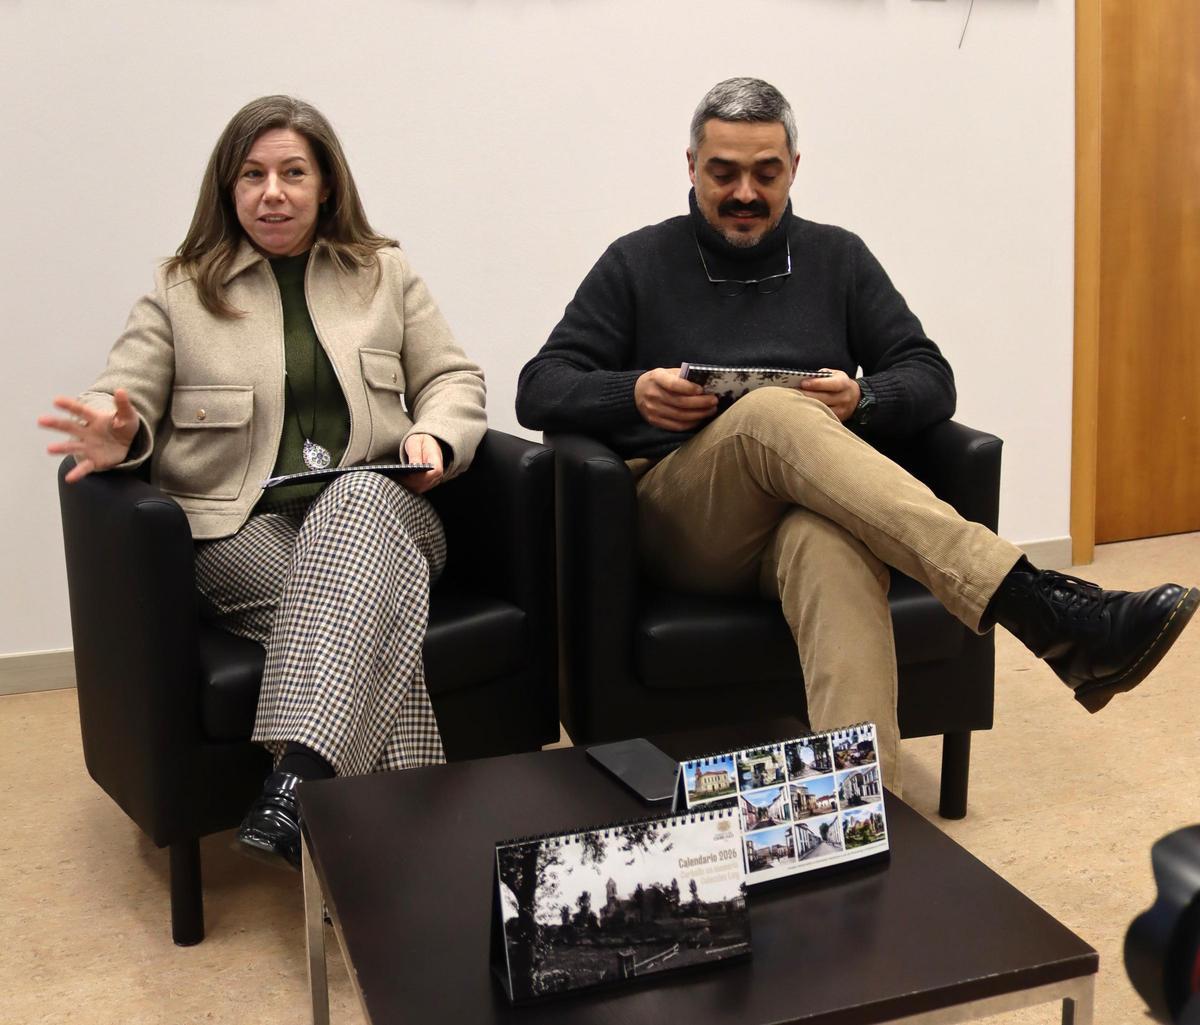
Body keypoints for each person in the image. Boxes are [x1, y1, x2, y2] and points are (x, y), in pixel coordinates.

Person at [515, 77, 1197, 789]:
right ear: (691, 166)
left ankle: (863, 815)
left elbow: (930, 375)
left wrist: (864, 396)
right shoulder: (637, 261)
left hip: (797, 517)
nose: (745, 192)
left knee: (833, 547)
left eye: (765, 173)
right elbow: (540, 384)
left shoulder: (837, 258)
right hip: (685, 521)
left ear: (794, 168)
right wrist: (633, 391)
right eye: (724, 173)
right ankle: (1035, 602)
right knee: (770, 414)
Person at [39, 95, 486, 868]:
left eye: (292, 173)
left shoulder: (384, 273)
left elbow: (453, 377)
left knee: (354, 498)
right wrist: (118, 429)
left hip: (388, 510)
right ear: (229, 187)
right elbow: (123, 391)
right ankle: (406, 872)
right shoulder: (181, 290)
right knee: (362, 621)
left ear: (326, 185)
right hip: (239, 530)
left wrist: (435, 433)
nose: (271, 192)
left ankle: (300, 779)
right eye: (252, 175)